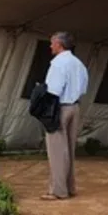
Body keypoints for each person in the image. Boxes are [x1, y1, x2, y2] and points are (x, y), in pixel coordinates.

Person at [41, 31, 88, 201]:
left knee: (57, 151)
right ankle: (70, 187)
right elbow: (83, 88)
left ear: (59, 45)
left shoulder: (58, 64)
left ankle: (58, 191)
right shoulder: (78, 64)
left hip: (59, 108)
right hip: (74, 107)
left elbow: (54, 89)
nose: (50, 46)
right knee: (69, 149)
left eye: (52, 43)